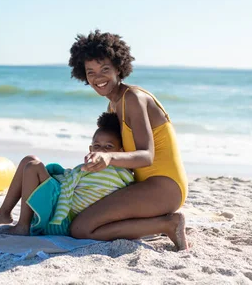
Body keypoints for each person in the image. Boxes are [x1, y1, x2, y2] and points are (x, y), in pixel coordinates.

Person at [66, 30, 188, 250]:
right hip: (143, 185)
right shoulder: (113, 104)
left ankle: (168, 223)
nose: (98, 78)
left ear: (118, 68)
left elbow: (146, 156)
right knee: (82, 221)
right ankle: (155, 224)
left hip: (164, 188)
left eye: (105, 69)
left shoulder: (133, 98)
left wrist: (109, 157)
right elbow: (116, 152)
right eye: (90, 72)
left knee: (80, 229)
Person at [0, 112, 134, 236]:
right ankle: (3, 213)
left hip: (62, 215)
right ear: (90, 149)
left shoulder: (116, 174)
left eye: (109, 146)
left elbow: (85, 196)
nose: (102, 150)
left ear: (120, 152)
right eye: (97, 146)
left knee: (33, 167)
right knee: (28, 160)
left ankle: (23, 226)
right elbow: (74, 181)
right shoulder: (93, 166)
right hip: (59, 198)